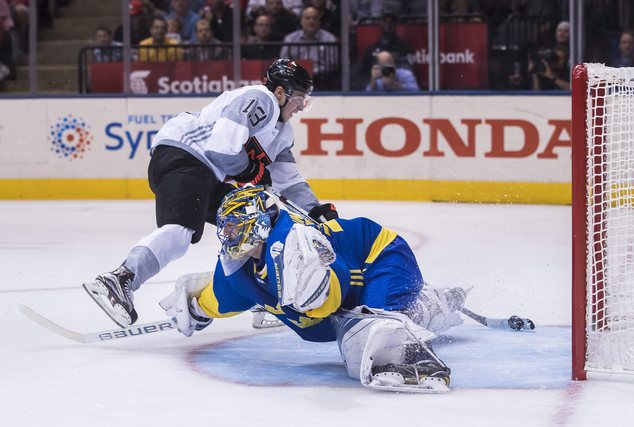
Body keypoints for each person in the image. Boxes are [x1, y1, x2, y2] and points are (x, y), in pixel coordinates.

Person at [83, 59, 339, 328]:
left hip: (208, 173)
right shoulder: (260, 99)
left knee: (258, 221)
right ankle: (120, 278)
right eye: (299, 98)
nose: (301, 106)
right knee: (181, 231)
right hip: (185, 156)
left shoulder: (282, 132)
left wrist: (315, 210)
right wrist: (250, 169)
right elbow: (222, 149)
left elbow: (287, 181)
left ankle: (260, 299)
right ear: (280, 93)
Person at [159, 185, 468, 392]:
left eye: (235, 226)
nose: (228, 236)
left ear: (259, 224)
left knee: (375, 324)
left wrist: (310, 295)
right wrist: (196, 306)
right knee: (359, 322)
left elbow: (335, 287)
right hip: (351, 291)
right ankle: (430, 302)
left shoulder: (295, 242)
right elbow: (220, 297)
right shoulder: (237, 268)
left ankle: (430, 305)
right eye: (225, 227)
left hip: (379, 255)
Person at [280, 6, 338, 87]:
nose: (311, 21)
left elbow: (332, 64)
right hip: (295, 80)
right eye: (307, 18)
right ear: (301, 21)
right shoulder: (290, 39)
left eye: (314, 18)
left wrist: (311, 72)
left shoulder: (329, 39)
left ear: (319, 21)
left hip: (321, 80)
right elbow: (284, 61)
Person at [528, 20, 570, 91]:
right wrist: (534, 72)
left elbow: (575, 89)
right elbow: (535, 96)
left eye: (566, 31)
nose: (562, 34)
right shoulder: (548, 48)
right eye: (559, 30)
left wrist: (552, 78)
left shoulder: (571, 66)